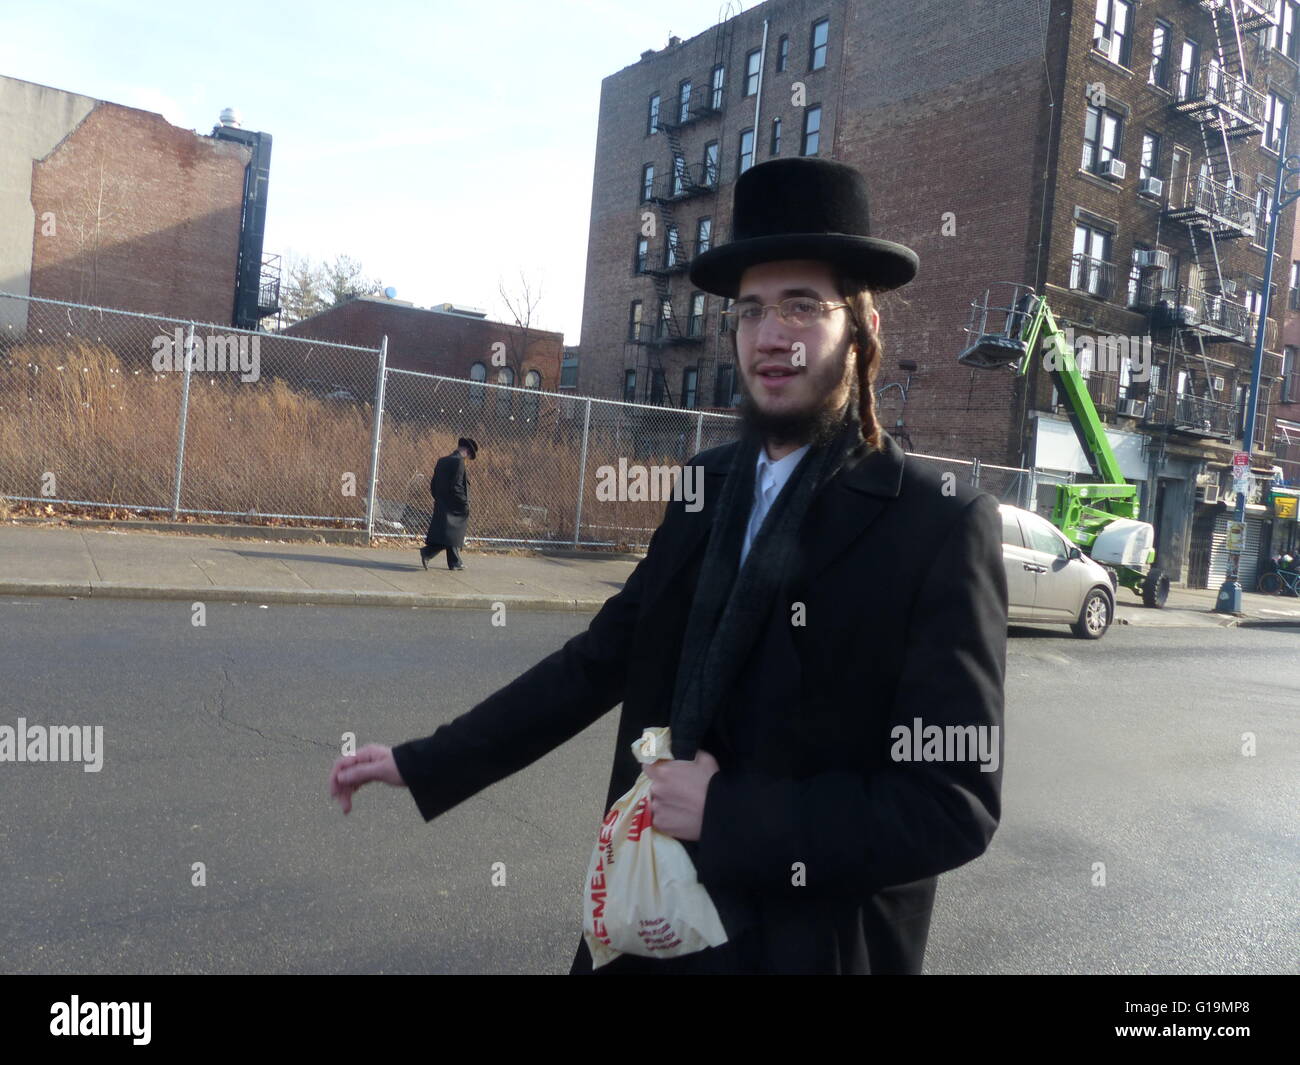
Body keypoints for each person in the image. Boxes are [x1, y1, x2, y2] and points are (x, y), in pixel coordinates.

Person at [330, 157, 1008, 974]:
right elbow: (601, 657)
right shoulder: (706, 487)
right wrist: (425, 758)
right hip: (651, 919)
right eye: (752, 309)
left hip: (807, 951)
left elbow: (952, 803)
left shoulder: (935, 524)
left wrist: (730, 814)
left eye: (803, 305)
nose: (772, 335)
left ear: (861, 329)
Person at [420, 437, 476, 571]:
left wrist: (438, 498)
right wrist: (464, 503)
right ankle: (428, 552)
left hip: (442, 503)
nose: (467, 458)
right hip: (455, 506)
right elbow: (457, 486)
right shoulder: (459, 463)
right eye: (468, 455)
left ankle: (455, 562)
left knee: (449, 533)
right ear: (466, 451)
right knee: (451, 534)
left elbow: (433, 484)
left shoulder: (442, 461)